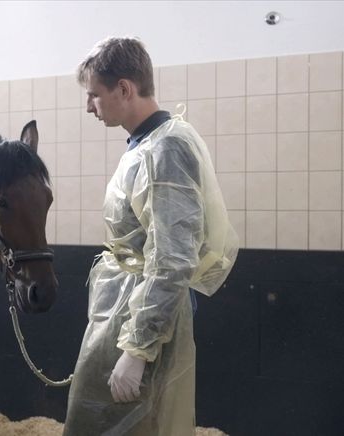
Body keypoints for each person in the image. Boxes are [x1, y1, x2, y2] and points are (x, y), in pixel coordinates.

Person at [63, 37, 239, 435]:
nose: (89, 106)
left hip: (143, 320)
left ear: (124, 89)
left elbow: (173, 258)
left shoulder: (166, 150)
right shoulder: (146, 144)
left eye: (94, 95)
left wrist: (137, 350)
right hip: (127, 309)